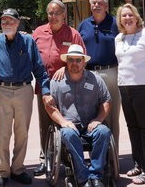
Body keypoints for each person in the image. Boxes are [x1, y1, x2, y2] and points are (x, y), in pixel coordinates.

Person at [0, 8, 53, 187]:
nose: (7, 24)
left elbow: (40, 70)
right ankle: (2, 172)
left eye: (10, 21)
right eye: (4, 21)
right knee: (1, 134)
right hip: (1, 91)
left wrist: (45, 91)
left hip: (24, 90)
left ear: (17, 23)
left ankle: (18, 169)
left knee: (22, 133)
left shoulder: (28, 41)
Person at [45, 44, 112, 187]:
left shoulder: (95, 79)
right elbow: (50, 106)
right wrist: (63, 122)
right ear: (66, 61)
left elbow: (106, 101)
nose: (74, 63)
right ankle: (82, 177)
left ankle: (96, 176)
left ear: (84, 62)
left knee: (104, 131)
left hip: (91, 124)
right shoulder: (57, 81)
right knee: (68, 134)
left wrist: (99, 119)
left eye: (78, 60)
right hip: (69, 124)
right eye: (71, 60)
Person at [32, 0, 85, 177]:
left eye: (57, 13)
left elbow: (81, 58)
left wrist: (65, 65)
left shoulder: (73, 34)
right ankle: (45, 159)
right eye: (50, 13)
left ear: (64, 15)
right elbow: (32, 57)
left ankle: (67, 157)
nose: (53, 16)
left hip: (67, 85)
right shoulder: (39, 32)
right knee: (45, 123)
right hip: (44, 85)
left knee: (66, 120)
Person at [115, 4, 145, 185]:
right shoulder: (119, 38)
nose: (127, 18)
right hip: (125, 87)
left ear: (136, 17)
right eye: (123, 16)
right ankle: (138, 163)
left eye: (130, 15)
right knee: (133, 128)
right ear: (120, 20)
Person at [77, 0, 120, 151]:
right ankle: (96, 151)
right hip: (88, 74)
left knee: (112, 114)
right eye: (93, 3)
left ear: (106, 6)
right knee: (90, 112)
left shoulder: (115, 24)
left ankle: (112, 154)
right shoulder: (83, 25)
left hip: (110, 72)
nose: (96, 5)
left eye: (99, 3)